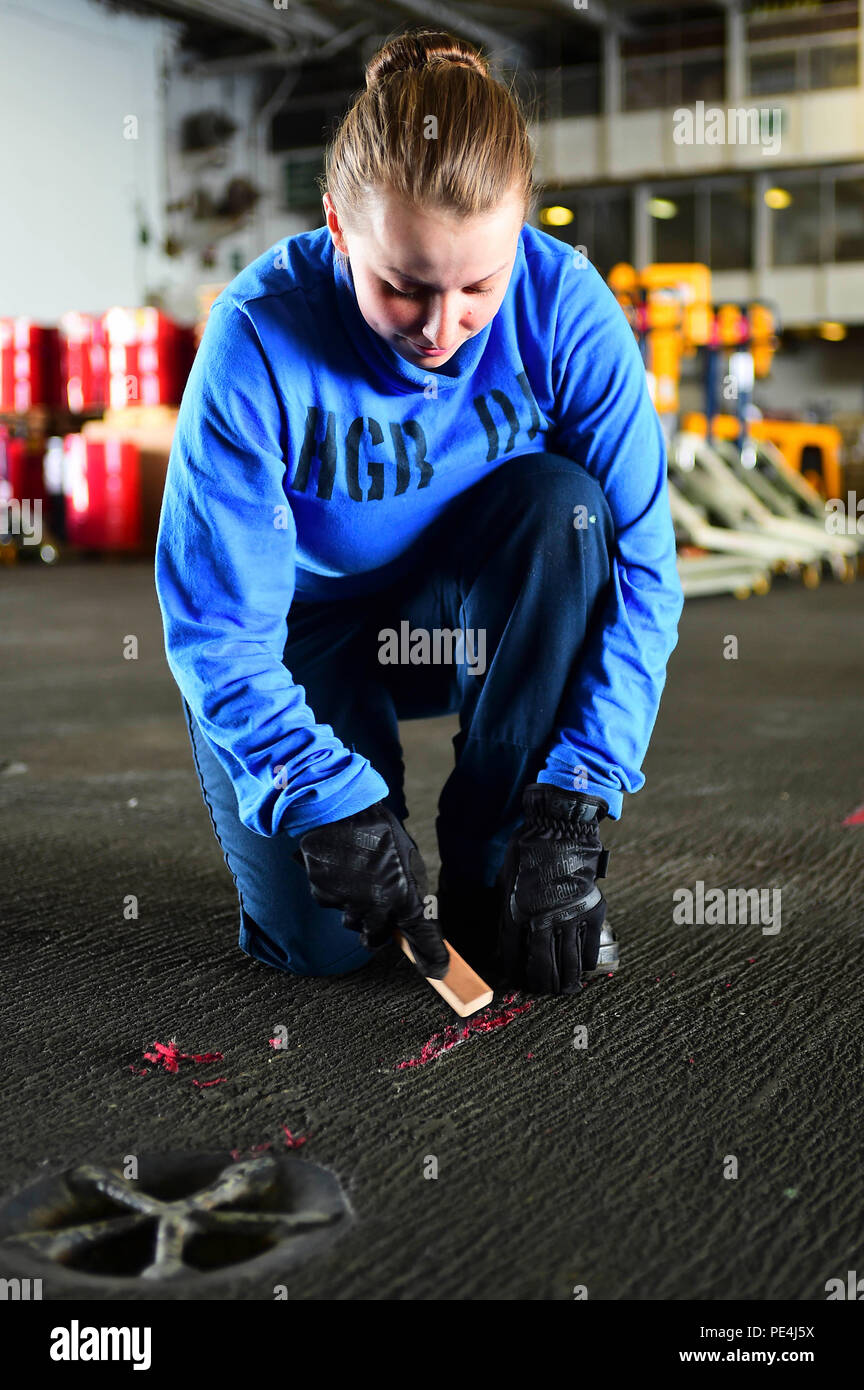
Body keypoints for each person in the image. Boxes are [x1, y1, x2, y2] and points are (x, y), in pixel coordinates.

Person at [154, 28, 684, 997]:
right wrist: (329, 804)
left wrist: (571, 802)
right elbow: (217, 629)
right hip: (300, 640)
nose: (442, 332)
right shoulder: (254, 335)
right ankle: (352, 798)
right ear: (338, 228)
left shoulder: (567, 307)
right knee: (331, 943)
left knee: (563, 508)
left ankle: (494, 843)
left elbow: (646, 572)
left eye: (479, 286)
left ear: (521, 229)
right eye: (403, 288)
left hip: (459, 627)